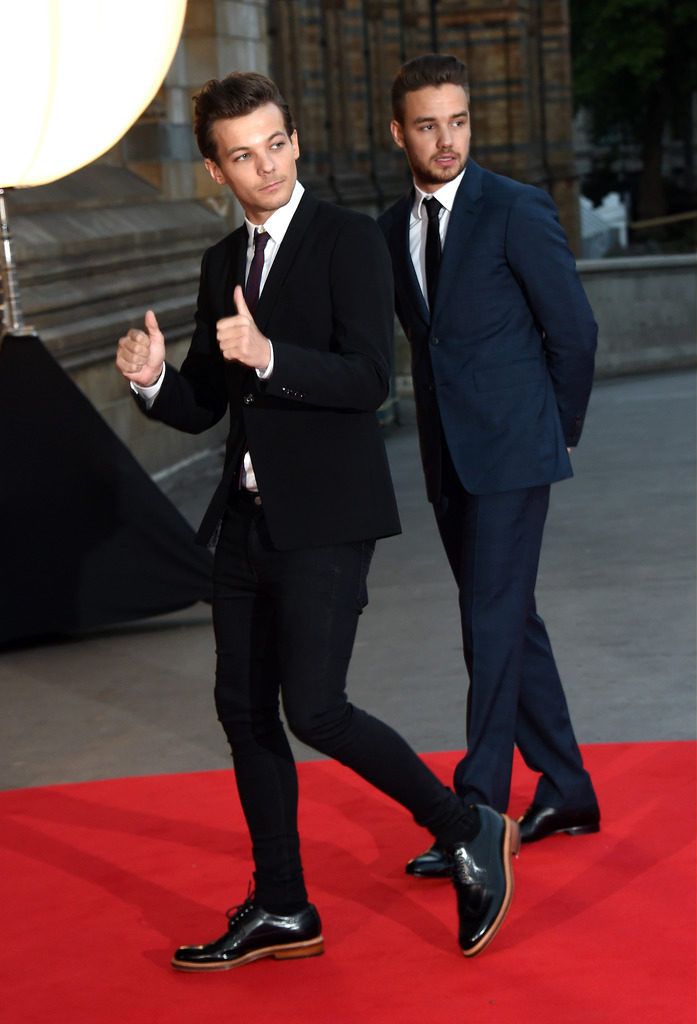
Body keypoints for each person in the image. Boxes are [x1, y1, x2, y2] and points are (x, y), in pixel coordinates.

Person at [115, 71, 519, 966]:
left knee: (317, 708)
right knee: (243, 711)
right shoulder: (223, 262)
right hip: (245, 522)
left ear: (294, 142)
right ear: (216, 171)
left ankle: (465, 828)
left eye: (275, 144)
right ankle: (284, 903)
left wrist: (268, 356)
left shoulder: (345, 241)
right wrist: (149, 380)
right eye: (242, 154)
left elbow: (371, 379)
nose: (264, 165)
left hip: (329, 517)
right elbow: (203, 403)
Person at [378, 54, 600, 879]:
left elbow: (573, 332)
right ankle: (568, 786)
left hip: (513, 453)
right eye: (429, 125)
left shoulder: (515, 208)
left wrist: (558, 430)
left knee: (488, 624)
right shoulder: (388, 229)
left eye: (459, 121)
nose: (447, 140)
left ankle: (475, 811)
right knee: (506, 617)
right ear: (399, 132)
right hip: (448, 458)